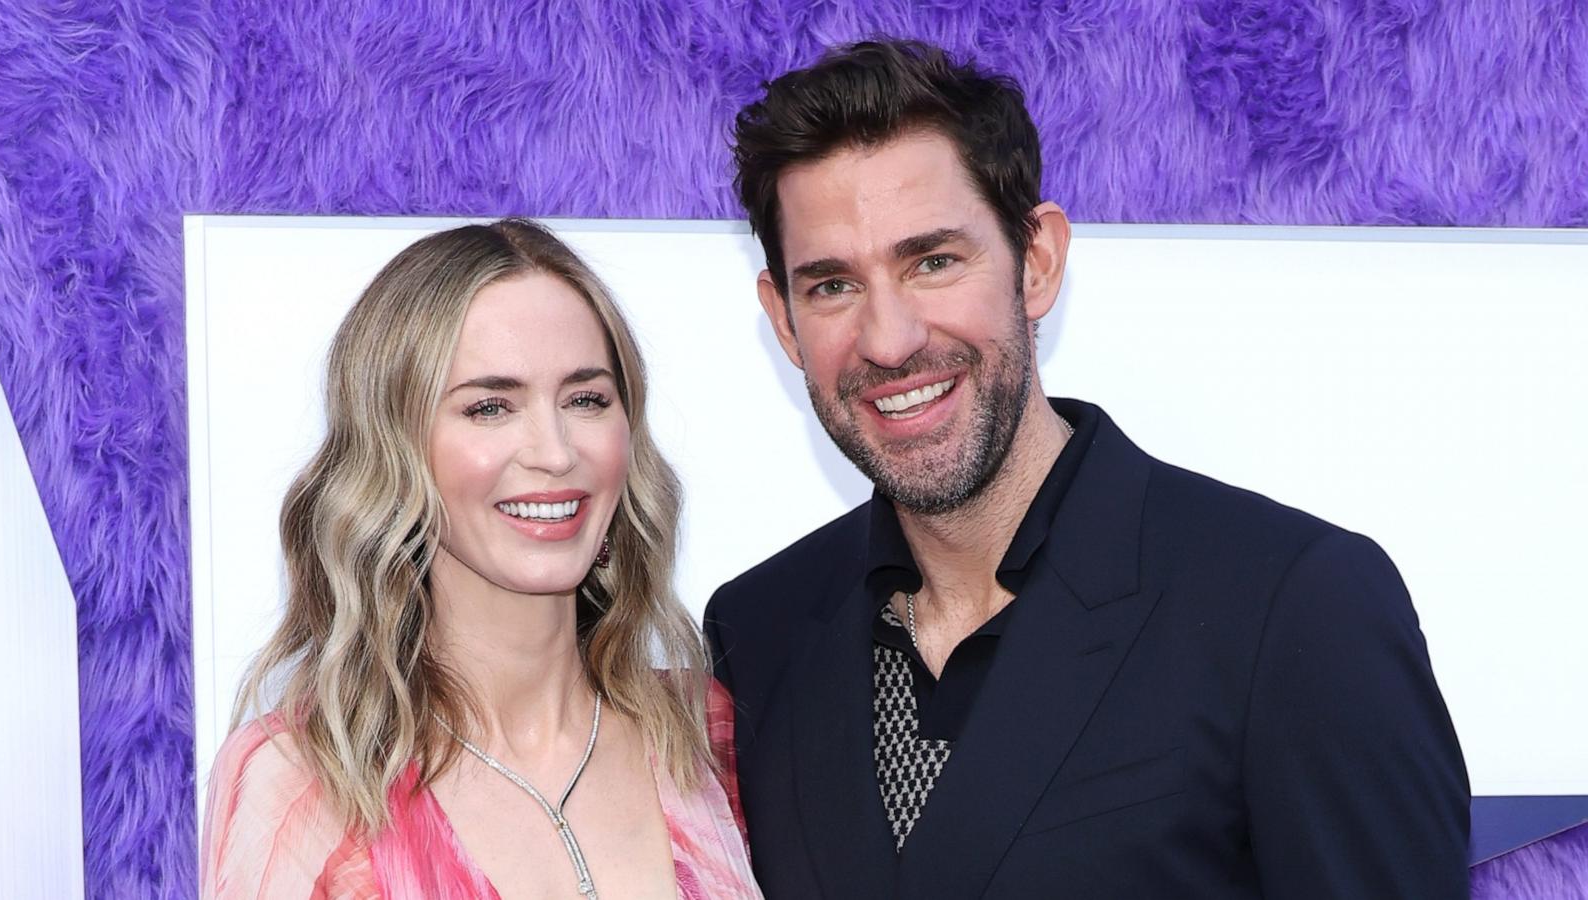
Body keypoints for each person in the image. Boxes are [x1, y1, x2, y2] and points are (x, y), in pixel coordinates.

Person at [705, 40, 1469, 898]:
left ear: (1037, 261)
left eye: (933, 261)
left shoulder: (1291, 605)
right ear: (782, 318)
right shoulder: (759, 632)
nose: (889, 339)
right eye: (832, 286)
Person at [201, 219, 762, 899]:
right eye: (490, 407)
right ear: (395, 448)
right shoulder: (303, 780)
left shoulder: (706, 732)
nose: (554, 452)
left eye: (586, 399)